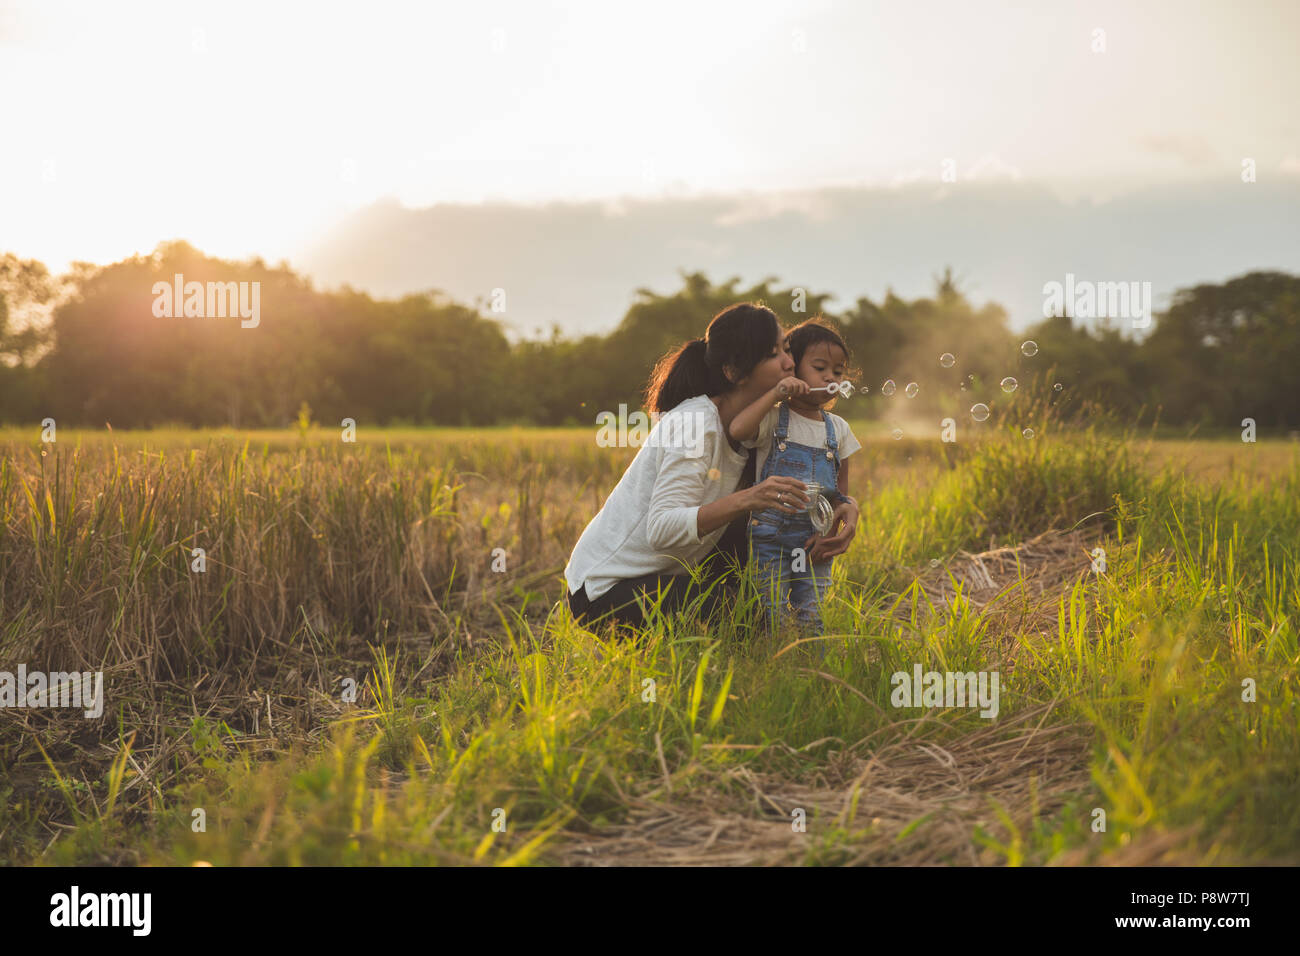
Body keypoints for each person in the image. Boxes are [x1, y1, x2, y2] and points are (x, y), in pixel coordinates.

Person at [564, 303, 861, 633]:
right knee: (748, 620)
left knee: (755, 577)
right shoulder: (695, 423)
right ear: (735, 371)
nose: (789, 363)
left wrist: (845, 506)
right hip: (608, 590)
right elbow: (661, 529)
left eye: (788, 350)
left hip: (667, 574)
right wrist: (749, 498)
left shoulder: (763, 426)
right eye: (774, 353)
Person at [728, 317, 862, 638]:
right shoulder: (775, 417)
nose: (830, 377)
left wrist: (828, 534)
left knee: (811, 615)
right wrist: (775, 393)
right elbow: (738, 429)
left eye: (838, 372)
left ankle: (810, 670)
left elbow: (839, 496)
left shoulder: (838, 429)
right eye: (820, 367)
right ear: (793, 368)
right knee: (769, 614)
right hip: (769, 540)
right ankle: (773, 666)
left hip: (813, 542)